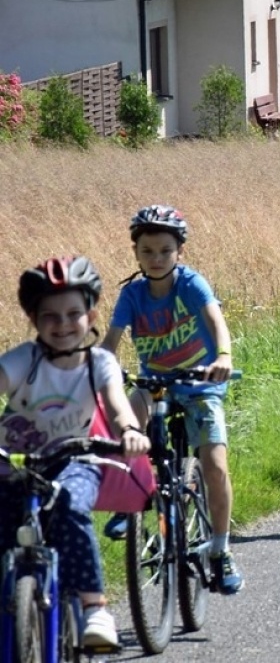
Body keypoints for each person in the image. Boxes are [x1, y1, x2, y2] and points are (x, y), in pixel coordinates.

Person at [4, 256, 150, 651]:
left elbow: (117, 406)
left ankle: (94, 607)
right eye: (50, 315)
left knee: (69, 505)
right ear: (33, 318)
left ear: (91, 314)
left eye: (74, 313)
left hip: (75, 461)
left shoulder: (98, 363)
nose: (63, 324)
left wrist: (131, 431)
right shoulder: (23, 360)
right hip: (12, 465)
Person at [102, 205, 243, 595]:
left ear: (179, 251)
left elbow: (216, 321)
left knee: (214, 464)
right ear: (136, 254)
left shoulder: (192, 284)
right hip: (155, 381)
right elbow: (111, 342)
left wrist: (224, 358)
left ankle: (220, 549)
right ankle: (125, 496)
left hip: (200, 382)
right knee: (129, 414)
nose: (157, 258)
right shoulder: (132, 294)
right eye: (147, 251)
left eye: (165, 250)